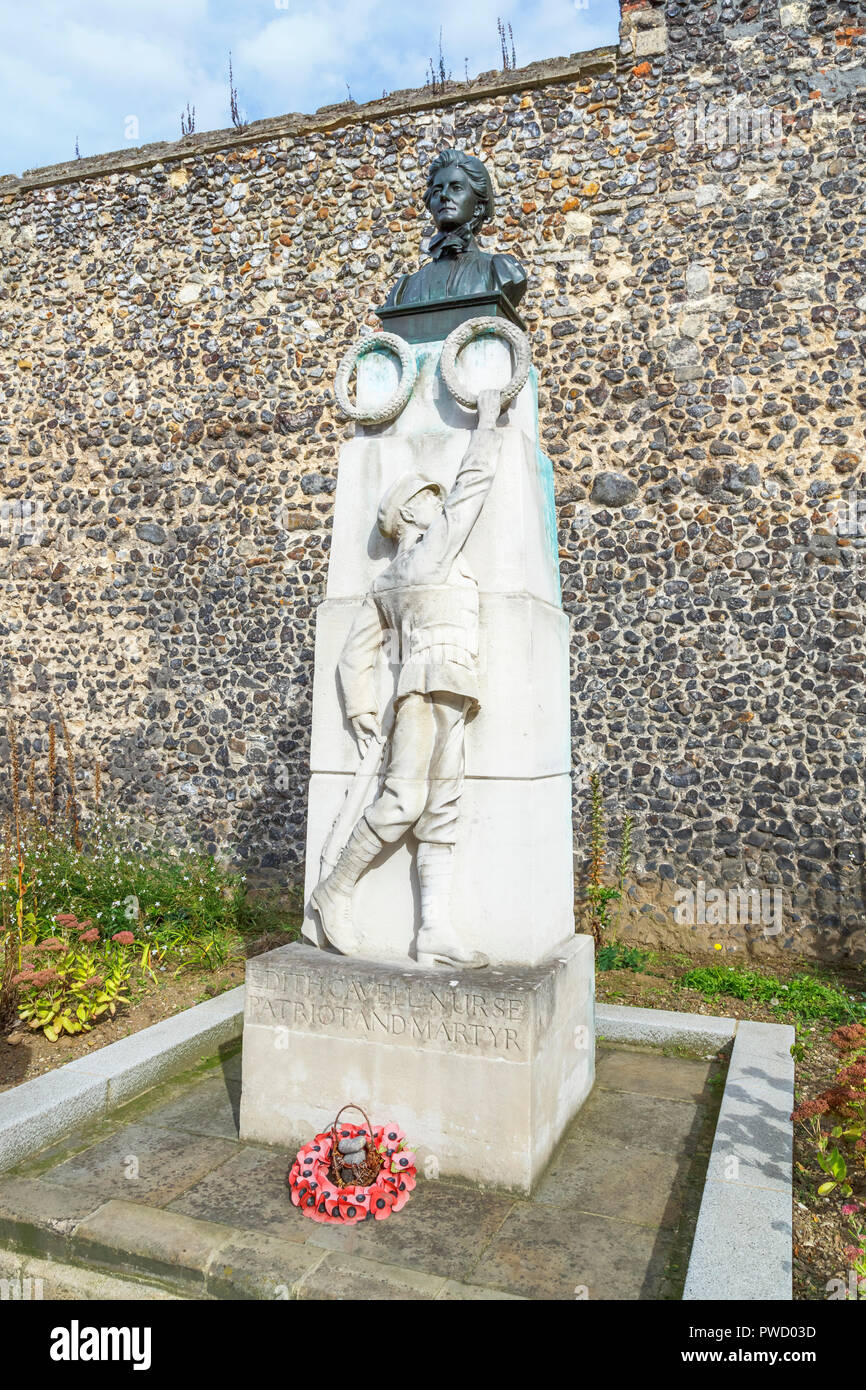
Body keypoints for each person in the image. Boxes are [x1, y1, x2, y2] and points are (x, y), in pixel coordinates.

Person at [311, 386, 505, 968]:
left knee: (442, 807)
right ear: (412, 515)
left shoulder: (400, 573)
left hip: (450, 690)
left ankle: (433, 930)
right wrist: (489, 421)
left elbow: (356, 657)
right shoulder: (429, 555)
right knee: (404, 801)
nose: (437, 503)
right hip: (426, 689)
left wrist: (361, 708)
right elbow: (473, 487)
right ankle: (335, 888)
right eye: (427, 498)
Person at [383, 148, 527, 312]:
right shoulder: (404, 290)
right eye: (437, 190)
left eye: (456, 187)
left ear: (478, 207)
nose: (444, 195)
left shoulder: (503, 272)